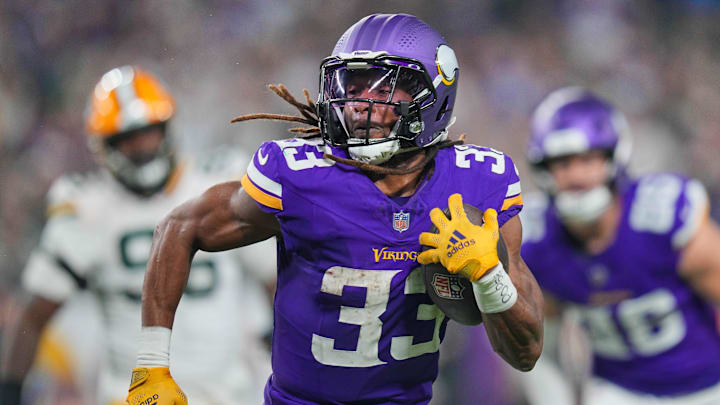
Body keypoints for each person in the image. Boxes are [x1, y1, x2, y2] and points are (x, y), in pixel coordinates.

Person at [124, 14, 544, 405]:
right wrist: (151, 364)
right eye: (353, 87)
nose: (360, 103)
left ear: (433, 95)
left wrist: (490, 277)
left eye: (383, 88)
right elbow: (179, 227)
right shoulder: (300, 176)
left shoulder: (478, 185)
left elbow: (525, 354)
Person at [0, 66, 275, 405]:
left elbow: (273, 277)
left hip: (229, 392)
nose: (141, 147)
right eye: (126, 139)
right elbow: (35, 312)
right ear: (103, 145)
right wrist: (9, 389)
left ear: (167, 128)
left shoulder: (215, 180)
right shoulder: (87, 208)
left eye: (148, 132)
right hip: (135, 395)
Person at [520, 87, 720, 404]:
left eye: (588, 159)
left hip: (706, 387)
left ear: (613, 158)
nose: (576, 176)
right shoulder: (538, 241)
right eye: (562, 163)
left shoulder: (661, 217)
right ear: (543, 170)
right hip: (618, 392)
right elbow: (538, 347)